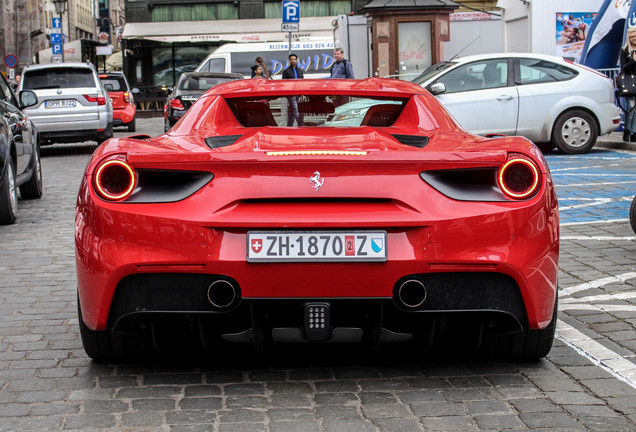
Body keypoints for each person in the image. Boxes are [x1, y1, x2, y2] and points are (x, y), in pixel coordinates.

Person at [620, 27, 636, 142]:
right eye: (632, 37)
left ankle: (634, 132)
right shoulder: (625, 50)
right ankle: (627, 130)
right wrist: (633, 61)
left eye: (635, 36)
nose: (634, 38)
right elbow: (623, 68)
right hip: (629, 82)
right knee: (630, 108)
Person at [282, 53, 304, 126]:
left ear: (296, 60)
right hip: (291, 94)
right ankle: (301, 124)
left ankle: (289, 125)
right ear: (289, 61)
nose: (293, 61)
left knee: (292, 109)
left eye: (294, 59)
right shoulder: (286, 71)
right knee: (295, 108)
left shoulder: (300, 70)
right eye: (291, 60)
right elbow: (283, 82)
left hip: (299, 93)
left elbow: (302, 81)